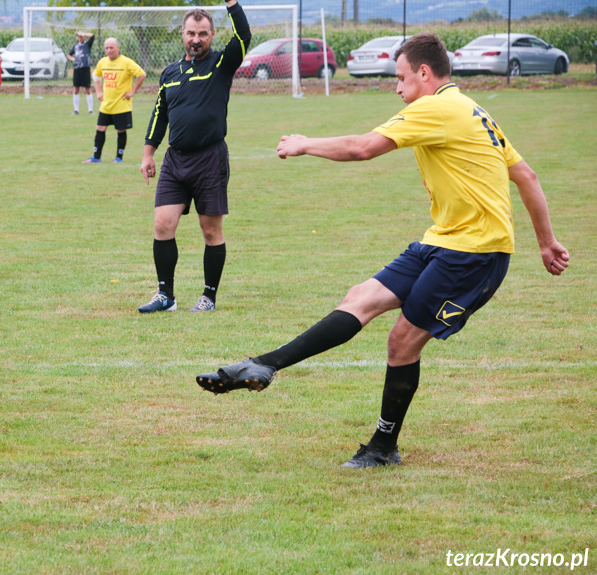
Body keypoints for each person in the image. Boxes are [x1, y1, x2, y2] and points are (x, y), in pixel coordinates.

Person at [195, 33, 570, 468]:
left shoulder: (435, 107)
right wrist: (545, 242)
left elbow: (362, 148)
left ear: (424, 74)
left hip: (475, 255)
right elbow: (527, 175)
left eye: (402, 78)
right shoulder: (471, 108)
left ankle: (383, 446)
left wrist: (304, 144)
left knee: (402, 342)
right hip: (442, 240)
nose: (398, 88)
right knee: (361, 297)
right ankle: (263, 365)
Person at [138, 0, 251, 314]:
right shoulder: (170, 73)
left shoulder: (221, 64)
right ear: (183, 35)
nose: (196, 39)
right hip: (175, 161)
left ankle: (208, 297)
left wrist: (232, 4)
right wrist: (149, 154)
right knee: (162, 225)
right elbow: (160, 115)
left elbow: (243, 36)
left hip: (210, 159)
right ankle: (166, 296)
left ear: (212, 35)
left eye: (203, 33)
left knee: (210, 230)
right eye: (191, 33)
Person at [82, 38, 147, 164]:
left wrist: (133, 91)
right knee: (100, 128)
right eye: (106, 48)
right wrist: (99, 91)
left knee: (121, 130)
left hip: (121, 104)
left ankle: (119, 157)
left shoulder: (126, 62)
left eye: (111, 47)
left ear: (118, 48)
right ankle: (96, 157)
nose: (109, 50)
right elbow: (96, 75)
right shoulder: (103, 62)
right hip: (106, 104)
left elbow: (141, 74)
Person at [67, 31, 95, 115]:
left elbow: (93, 36)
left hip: (85, 68)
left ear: (84, 37)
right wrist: (72, 59)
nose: (80, 38)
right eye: (79, 37)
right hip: (77, 69)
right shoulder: (75, 46)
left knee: (88, 89)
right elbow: (68, 55)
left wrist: (84, 33)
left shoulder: (87, 44)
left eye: (81, 36)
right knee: (76, 89)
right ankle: (76, 110)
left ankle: (90, 110)